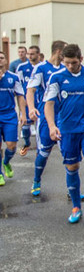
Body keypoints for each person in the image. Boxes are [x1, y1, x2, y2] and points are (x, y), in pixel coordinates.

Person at [44, 43, 84, 224]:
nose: (70, 66)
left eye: (73, 62)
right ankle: (75, 207)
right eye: (67, 63)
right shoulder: (56, 77)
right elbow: (48, 104)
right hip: (67, 130)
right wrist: (51, 126)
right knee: (72, 168)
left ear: (81, 59)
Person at [26, 40, 66, 196]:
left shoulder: (64, 69)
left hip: (63, 117)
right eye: (65, 52)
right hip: (45, 116)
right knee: (44, 152)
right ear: (58, 52)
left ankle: (72, 189)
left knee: (68, 153)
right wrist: (31, 108)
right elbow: (30, 90)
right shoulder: (41, 68)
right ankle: (36, 180)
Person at [0, 51, 26, 187]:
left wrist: (23, 114)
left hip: (9, 115)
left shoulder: (13, 77)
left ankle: (6, 162)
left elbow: (20, 96)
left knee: (11, 145)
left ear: (5, 61)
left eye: (2, 57)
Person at [16, 44, 40, 155]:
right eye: (28, 54)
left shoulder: (42, 67)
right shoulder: (21, 68)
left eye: (32, 54)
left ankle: (40, 149)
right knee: (25, 127)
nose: (29, 56)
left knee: (40, 127)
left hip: (40, 102)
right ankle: (26, 142)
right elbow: (19, 86)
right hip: (27, 102)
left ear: (38, 54)